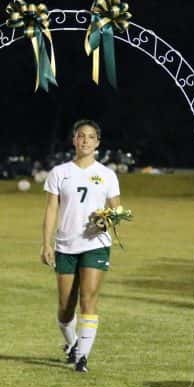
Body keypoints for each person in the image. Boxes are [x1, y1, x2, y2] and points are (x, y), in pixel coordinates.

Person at [41, 119, 122, 373]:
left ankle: (83, 358)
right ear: (74, 140)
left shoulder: (107, 174)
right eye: (80, 136)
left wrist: (105, 221)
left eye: (90, 137)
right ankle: (73, 344)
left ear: (98, 143)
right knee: (66, 307)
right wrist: (46, 243)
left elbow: (117, 209)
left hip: (95, 245)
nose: (85, 140)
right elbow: (52, 209)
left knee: (88, 299)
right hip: (65, 245)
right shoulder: (59, 172)